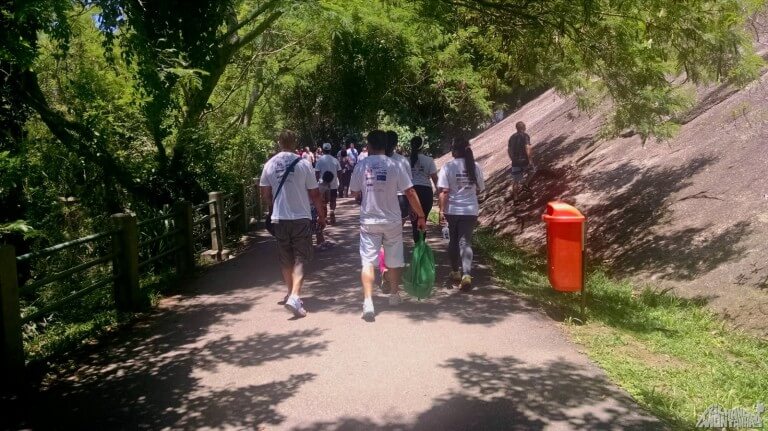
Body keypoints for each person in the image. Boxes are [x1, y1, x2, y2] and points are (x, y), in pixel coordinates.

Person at [350, 130, 427, 321]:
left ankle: (368, 301)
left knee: (368, 261)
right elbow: (409, 192)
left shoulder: (361, 165)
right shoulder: (395, 164)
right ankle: (394, 294)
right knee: (394, 258)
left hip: (369, 220)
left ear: (368, 146)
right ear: (387, 145)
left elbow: (354, 192)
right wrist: (421, 215)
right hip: (392, 219)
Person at [260, 129, 327, 318]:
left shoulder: (270, 164)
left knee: (285, 257)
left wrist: (272, 206)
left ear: (279, 142)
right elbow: (314, 194)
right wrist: (321, 216)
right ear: (294, 142)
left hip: (279, 218)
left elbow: (265, 193)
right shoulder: (303, 163)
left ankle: (291, 294)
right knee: (301, 257)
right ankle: (295, 296)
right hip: (301, 217)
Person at [438, 138, 485, 292]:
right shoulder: (475, 166)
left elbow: (444, 191)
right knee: (465, 242)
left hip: (452, 210)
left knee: (453, 241)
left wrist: (440, 211)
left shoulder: (448, 166)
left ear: (455, 151)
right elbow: (480, 189)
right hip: (470, 210)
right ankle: (466, 274)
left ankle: (455, 272)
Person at [408, 136, 438, 242]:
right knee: (423, 219)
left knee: (414, 220)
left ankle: (418, 245)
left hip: (411, 192)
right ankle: (421, 244)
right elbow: (435, 178)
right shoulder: (429, 160)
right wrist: (439, 192)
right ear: (422, 146)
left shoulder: (407, 160)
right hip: (426, 192)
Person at [508, 121, 534, 203]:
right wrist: (530, 160)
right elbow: (527, 147)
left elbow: (509, 150)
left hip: (515, 162)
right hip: (524, 160)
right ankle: (525, 185)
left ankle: (516, 199)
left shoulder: (511, 137)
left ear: (517, 128)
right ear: (524, 127)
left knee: (516, 181)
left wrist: (512, 159)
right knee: (532, 171)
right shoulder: (525, 136)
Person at [315, 143, 342, 224]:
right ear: (330, 150)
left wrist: (316, 183)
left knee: (323, 202)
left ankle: (325, 217)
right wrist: (340, 181)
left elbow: (316, 173)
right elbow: (339, 171)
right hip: (333, 184)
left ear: (323, 150)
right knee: (333, 200)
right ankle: (332, 211)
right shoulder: (335, 160)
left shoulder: (320, 160)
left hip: (322, 185)